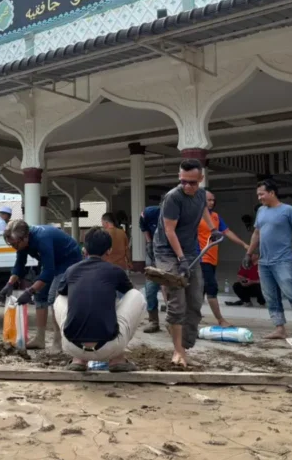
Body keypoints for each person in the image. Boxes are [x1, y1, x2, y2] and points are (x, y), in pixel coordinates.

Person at [153, 159, 221, 367]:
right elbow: (169, 231)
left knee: (194, 300)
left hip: (190, 250)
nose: (187, 186)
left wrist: (212, 229)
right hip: (167, 252)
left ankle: (185, 342)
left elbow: (203, 210)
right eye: (183, 182)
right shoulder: (173, 198)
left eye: (192, 182)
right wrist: (181, 259)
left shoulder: (201, 195)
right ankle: (178, 350)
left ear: (201, 179)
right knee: (177, 301)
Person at [54, 227, 145, 372]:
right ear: (109, 251)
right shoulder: (115, 271)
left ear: (84, 250)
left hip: (72, 346)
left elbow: (63, 294)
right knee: (137, 295)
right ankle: (117, 360)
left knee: (60, 298)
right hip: (109, 347)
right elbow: (129, 293)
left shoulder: (71, 270)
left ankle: (79, 360)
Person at [244, 179, 292, 340]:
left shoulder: (288, 210)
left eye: (261, 194)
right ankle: (279, 328)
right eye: (258, 195)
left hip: (283, 260)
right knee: (270, 296)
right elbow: (256, 233)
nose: (259, 198)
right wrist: (249, 253)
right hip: (264, 262)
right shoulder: (261, 211)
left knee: (291, 292)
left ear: (272, 193)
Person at [0, 219, 82, 351]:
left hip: (69, 261)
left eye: (15, 244)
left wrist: (29, 291)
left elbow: (49, 272)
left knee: (54, 298)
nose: (14, 247)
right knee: (40, 296)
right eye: (12, 244)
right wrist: (9, 284)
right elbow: (20, 264)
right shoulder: (22, 242)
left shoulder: (42, 238)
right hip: (53, 262)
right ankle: (39, 339)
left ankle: (58, 341)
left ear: (25, 237)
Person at [197, 191, 250, 327]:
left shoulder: (215, 216)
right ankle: (220, 320)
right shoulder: (195, 216)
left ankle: (193, 317)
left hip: (213, 258)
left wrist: (243, 244)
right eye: (208, 200)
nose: (211, 203)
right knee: (211, 288)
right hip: (202, 258)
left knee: (201, 290)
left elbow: (227, 232)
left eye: (213, 200)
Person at [139, 197, 165, 332]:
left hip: (172, 256)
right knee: (150, 289)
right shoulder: (149, 213)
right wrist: (149, 242)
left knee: (171, 289)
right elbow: (143, 226)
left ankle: (176, 322)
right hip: (154, 254)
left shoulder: (180, 217)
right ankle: (153, 321)